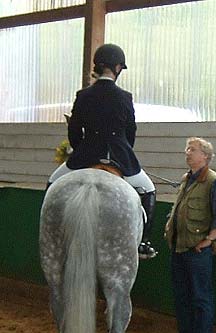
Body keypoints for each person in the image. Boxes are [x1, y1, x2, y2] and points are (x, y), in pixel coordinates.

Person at [47, 43, 158, 260]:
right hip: (119, 157)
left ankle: (52, 234)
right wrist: (123, 152)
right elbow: (130, 132)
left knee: (53, 184)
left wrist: (82, 150)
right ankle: (143, 242)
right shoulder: (125, 96)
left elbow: (74, 130)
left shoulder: (83, 95)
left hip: (85, 155)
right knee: (148, 190)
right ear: (117, 67)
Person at [164, 137, 216, 333]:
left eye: (192, 150)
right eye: (187, 149)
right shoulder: (187, 179)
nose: (187, 152)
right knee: (182, 297)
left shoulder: (213, 181)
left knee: (202, 298)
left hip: (197, 251)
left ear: (205, 156)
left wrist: (209, 239)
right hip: (178, 248)